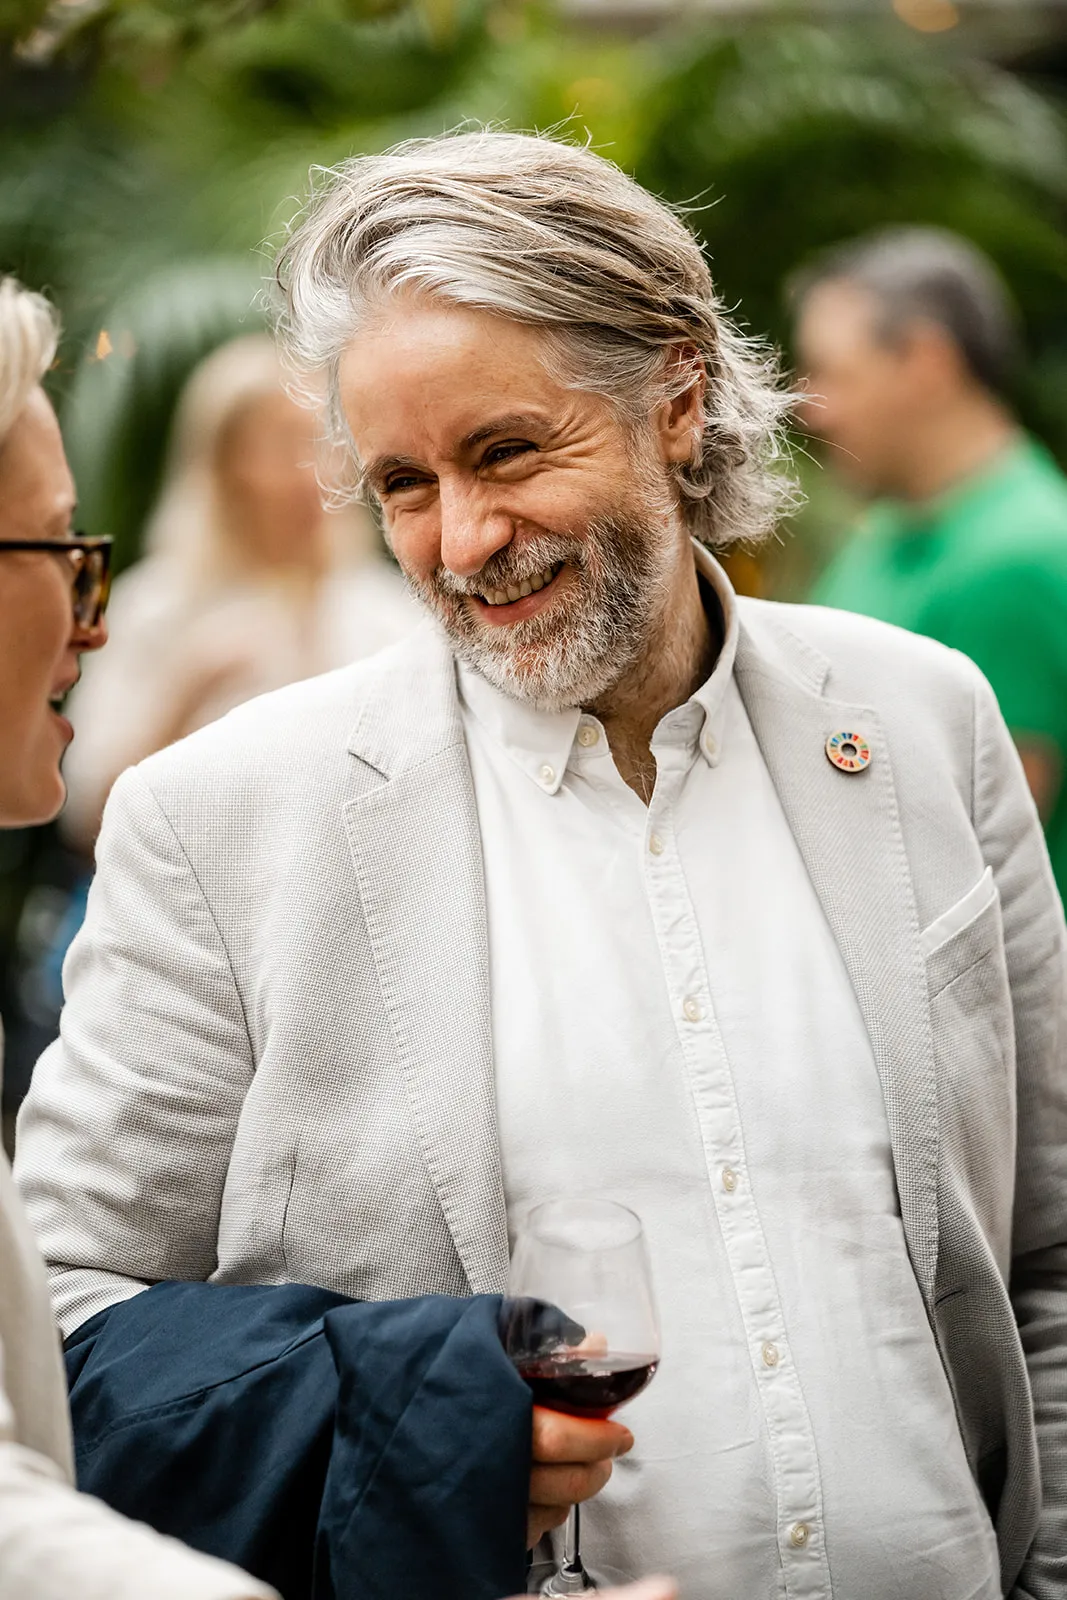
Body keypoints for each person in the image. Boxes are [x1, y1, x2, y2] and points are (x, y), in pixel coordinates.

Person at [14, 133, 1067, 1598]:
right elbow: (57, 1329)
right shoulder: (222, 819)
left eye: (505, 451)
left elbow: (1045, 1256)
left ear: (677, 396)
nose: (461, 540)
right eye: (401, 483)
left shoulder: (920, 721)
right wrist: (400, 1421)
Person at [792, 226, 1067, 901]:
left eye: (832, 374)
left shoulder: (1017, 557)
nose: (810, 407)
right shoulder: (892, 525)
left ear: (925, 363)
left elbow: (975, 833)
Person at [60, 333, 417, 852]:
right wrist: (186, 693)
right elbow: (86, 821)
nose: (313, 472)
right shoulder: (154, 607)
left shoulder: (386, 611)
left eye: (323, 443)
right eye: (283, 446)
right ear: (221, 466)